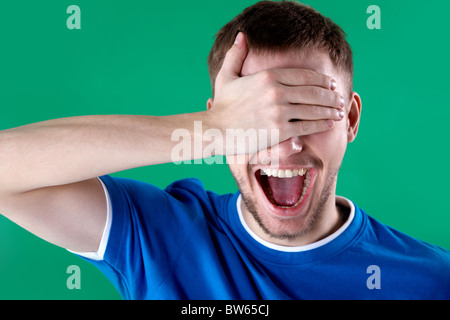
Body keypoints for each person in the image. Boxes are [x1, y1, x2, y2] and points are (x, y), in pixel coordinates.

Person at [0, 0, 449, 300]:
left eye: (310, 112)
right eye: (257, 118)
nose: (287, 143)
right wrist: (212, 130)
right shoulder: (162, 237)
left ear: (350, 119)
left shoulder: (433, 280)